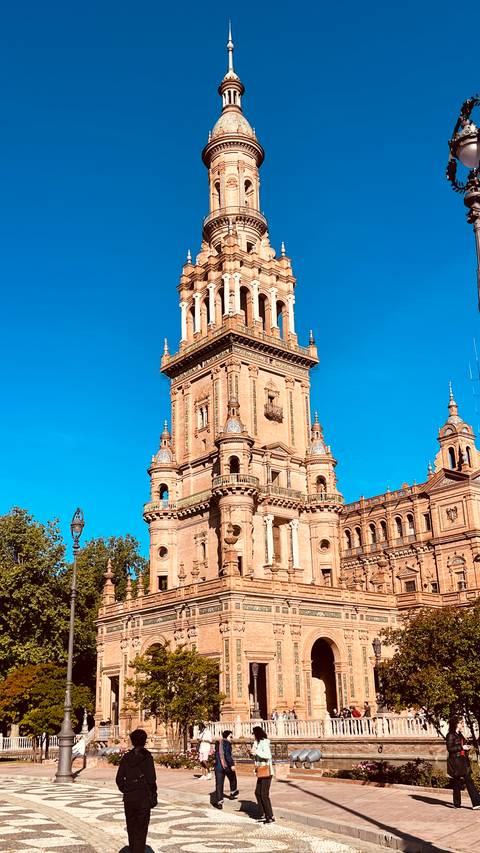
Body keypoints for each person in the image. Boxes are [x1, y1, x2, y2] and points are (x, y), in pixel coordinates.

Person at [115, 728, 157, 853]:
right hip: (143, 796)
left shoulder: (126, 757)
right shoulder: (147, 757)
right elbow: (151, 778)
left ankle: (133, 849)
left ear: (132, 741)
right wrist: (153, 792)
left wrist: (127, 789)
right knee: (141, 828)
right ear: (144, 741)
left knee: (131, 826)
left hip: (129, 797)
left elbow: (119, 779)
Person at [446, 718, 480, 810]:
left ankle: (476, 803)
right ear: (455, 724)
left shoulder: (460, 734)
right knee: (457, 782)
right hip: (456, 762)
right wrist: (462, 747)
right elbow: (450, 749)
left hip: (463, 760)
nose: (462, 724)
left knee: (469, 781)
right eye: (460, 723)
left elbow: (462, 745)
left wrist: (467, 746)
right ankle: (457, 803)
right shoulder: (450, 735)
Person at [251, 725, 274, 824]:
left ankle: (270, 815)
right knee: (257, 792)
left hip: (266, 771)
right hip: (260, 771)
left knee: (264, 794)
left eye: (253, 734)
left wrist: (256, 752)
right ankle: (263, 813)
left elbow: (267, 755)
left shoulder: (264, 742)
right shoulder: (257, 743)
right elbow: (257, 756)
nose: (253, 736)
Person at [213, 730, 239, 809]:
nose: (232, 738)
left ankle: (219, 802)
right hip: (226, 766)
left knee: (219, 784)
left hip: (218, 766)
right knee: (233, 778)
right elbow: (227, 755)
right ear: (227, 736)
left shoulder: (217, 743)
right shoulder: (227, 743)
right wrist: (232, 764)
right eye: (231, 736)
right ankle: (233, 793)